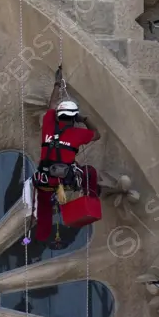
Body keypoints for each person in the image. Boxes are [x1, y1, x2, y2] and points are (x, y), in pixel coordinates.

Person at [32, 67, 100, 242]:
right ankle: (89, 199)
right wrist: (84, 119)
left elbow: (52, 105)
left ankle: (41, 236)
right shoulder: (78, 134)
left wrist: (57, 84)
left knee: (44, 209)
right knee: (89, 173)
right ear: (73, 118)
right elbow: (97, 134)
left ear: (58, 116)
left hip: (45, 178)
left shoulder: (48, 124)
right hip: (65, 178)